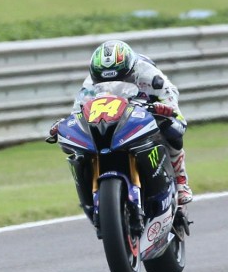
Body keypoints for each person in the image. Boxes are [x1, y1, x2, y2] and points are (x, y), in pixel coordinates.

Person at [47, 39, 193, 204]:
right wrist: (66, 124)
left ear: (132, 72)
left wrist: (165, 110)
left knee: (173, 129)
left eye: (121, 79)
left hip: (145, 103)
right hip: (112, 113)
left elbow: (172, 106)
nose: (109, 84)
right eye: (102, 82)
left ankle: (181, 182)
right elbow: (78, 111)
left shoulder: (151, 76)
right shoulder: (89, 83)